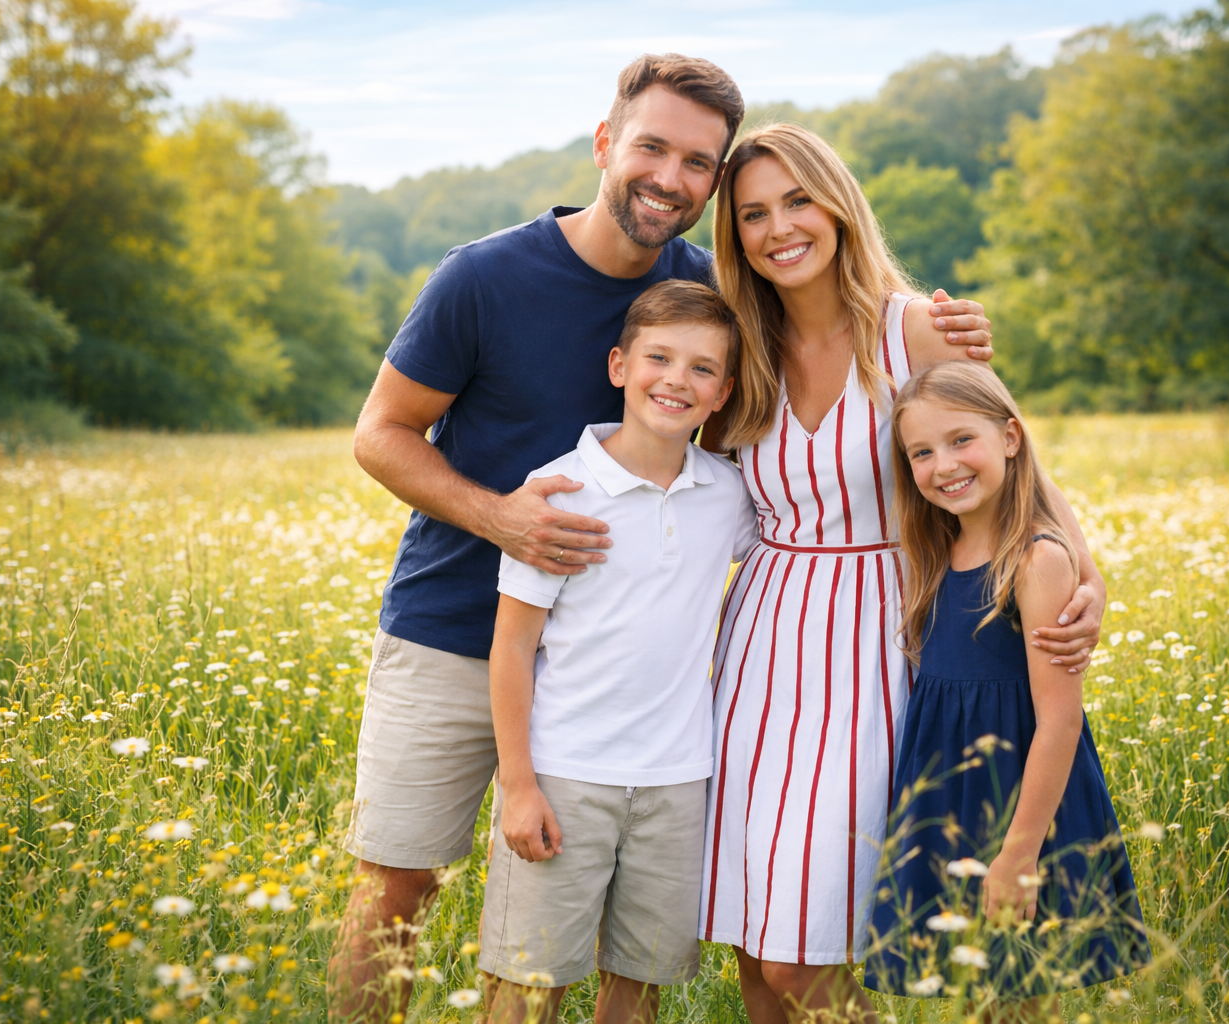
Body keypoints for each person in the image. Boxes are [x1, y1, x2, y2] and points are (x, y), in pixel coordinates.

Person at [332, 55, 995, 1022]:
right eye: (652, 147)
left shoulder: (717, 296)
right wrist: (503, 517)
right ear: (606, 144)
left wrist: (949, 333)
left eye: (699, 163)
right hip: (460, 629)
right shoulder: (485, 277)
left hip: (626, 680)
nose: (670, 177)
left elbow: (825, 358)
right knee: (400, 888)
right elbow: (377, 435)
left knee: (619, 954)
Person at [695, 124, 1108, 1024]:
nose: (780, 228)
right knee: (758, 954)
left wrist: (1088, 580)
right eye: (755, 213)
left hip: (882, 642)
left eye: (798, 200)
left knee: (807, 955)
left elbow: (1015, 456)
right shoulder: (741, 346)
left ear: (839, 203)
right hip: (759, 653)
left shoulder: (912, 328)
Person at [482, 281, 757, 1024]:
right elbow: (511, 647)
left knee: (637, 989)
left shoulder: (728, 494)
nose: (677, 379)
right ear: (618, 366)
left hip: (678, 781)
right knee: (527, 986)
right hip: (567, 775)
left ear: (723, 392)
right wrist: (519, 785)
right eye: (658, 358)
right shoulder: (561, 497)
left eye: (702, 369)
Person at [865, 361, 1148, 1019]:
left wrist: (1019, 854)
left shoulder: (1037, 560)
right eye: (922, 453)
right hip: (953, 797)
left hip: (1022, 805)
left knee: (1025, 995)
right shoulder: (938, 549)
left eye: (963, 439)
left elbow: (1060, 722)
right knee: (978, 994)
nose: (944, 465)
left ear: (1012, 439)